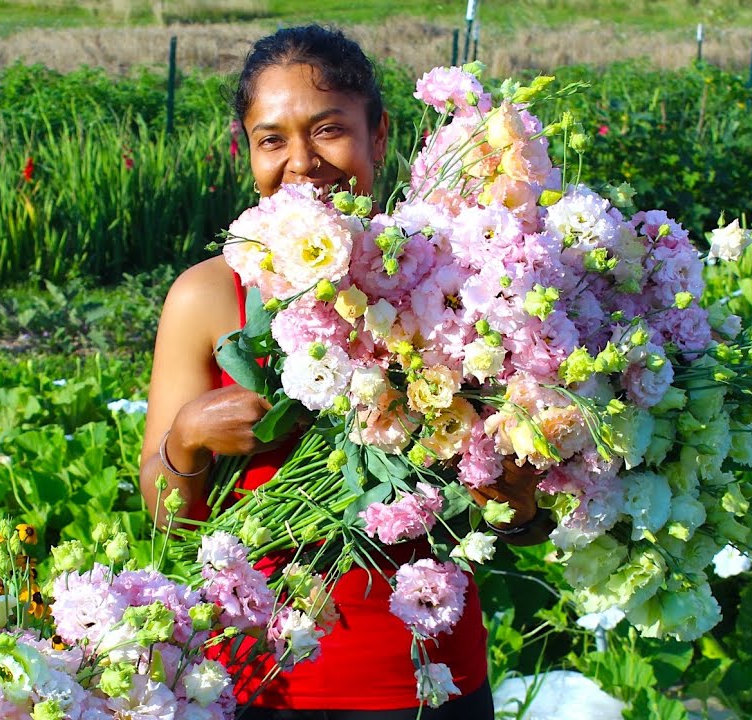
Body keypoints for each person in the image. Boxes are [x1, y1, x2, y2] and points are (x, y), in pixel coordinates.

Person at [139, 24, 554, 720]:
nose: (302, 161)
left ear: (379, 136)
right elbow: (163, 511)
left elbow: (525, 521)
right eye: (272, 139)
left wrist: (513, 496)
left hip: (431, 681)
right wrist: (186, 439)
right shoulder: (209, 295)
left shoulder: (452, 280)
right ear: (249, 153)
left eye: (329, 130)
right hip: (263, 682)